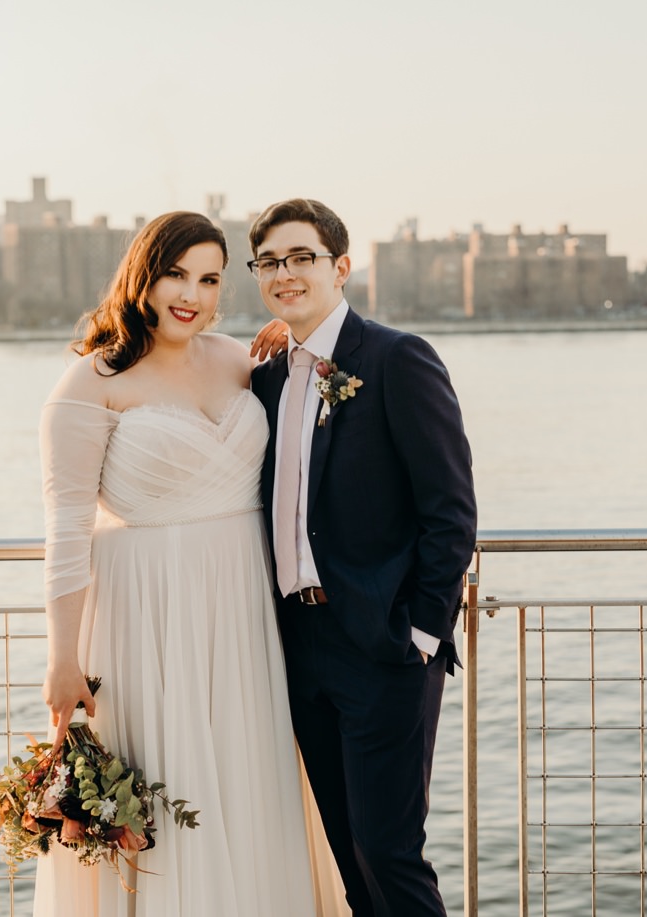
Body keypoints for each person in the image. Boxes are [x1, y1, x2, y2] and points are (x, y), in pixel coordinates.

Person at [34, 211, 342, 915]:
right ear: (142, 274)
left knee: (247, 776)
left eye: (209, 278)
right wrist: (61, 660)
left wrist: (288, 342)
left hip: (244, 612)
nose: (192, 294)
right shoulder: (89, 383)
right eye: (176, 273)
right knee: (166, 790)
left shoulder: (237, 358)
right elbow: (66, 532)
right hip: (147, 615)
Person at [247, 199, 475, 917]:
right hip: (301, 648)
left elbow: (451, 510)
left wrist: (420, 632)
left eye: (302, 257)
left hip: (384, 645)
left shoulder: (397, 358)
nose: (286, 273)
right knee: (349, 857)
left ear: (340, 267)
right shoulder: (267, 377)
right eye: (270, 262)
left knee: (389, 853)